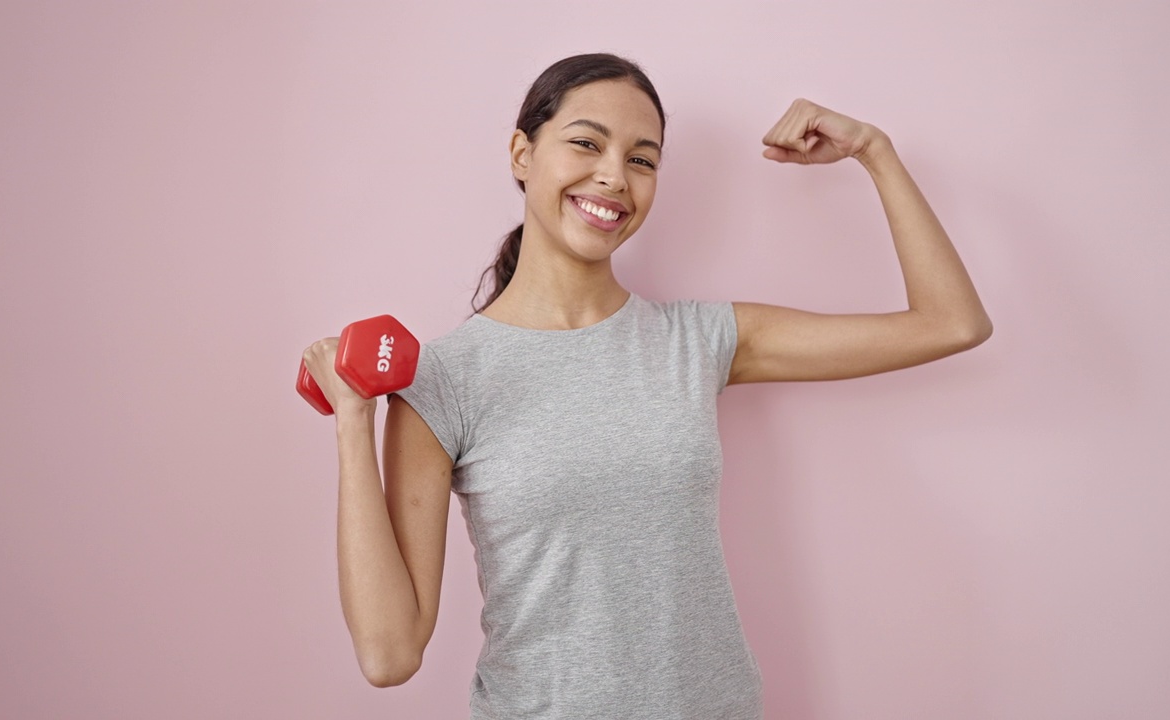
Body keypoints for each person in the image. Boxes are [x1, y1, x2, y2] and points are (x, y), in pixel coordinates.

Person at [301, 52, 991, 719]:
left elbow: (951, 323)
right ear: (522, 154)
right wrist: (354, 421)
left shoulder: (696, 341)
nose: (613, 177)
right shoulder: (442, 381)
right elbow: (389, 655)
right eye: (586, 143)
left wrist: (875, 150)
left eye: (641, 159)